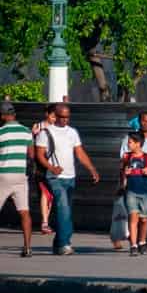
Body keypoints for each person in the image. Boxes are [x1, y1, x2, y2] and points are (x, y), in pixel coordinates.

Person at [32, 102, 100, 255]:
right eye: (62, 117)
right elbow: (39, 155)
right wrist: (51, 168)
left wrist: (92, 169)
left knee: (67, 210)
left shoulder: (72, 132)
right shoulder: (46, 133)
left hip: (70, 177)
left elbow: (80, 152)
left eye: (67, 117)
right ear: (55, 116)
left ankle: (58, 244)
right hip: (54, 177)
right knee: (63, 208)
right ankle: (64, 244)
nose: (65, 120)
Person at [120, 112, 147, 251]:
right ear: (139, 121)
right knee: (138, 214)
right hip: (135, 183)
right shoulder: (130, 138)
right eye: (144, 121)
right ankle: (145, 240)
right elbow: (123, 161)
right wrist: (123, 180)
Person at [0, 101, 34, 257]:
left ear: (3, 116)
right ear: (14, 115)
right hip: (21, 175)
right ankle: (27, 247)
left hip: (4, 174)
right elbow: (31, 155)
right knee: (24, 212)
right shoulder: (26, 131)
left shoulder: (1, 132)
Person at [118, 131, 147, 256]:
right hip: (131, 191)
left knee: (145, 220)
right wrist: (125, 173)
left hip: (145, 192)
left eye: (130, 142)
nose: (128, 144)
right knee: (133, 217)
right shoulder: (126, 156)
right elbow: (122, 171)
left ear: (138, 143)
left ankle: (142, 242)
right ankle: (133, 245)